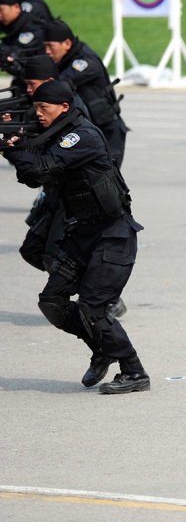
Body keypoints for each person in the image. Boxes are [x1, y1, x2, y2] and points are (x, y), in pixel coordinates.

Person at [2, 81, 149, 393]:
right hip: (82, 232)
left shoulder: (80, 135)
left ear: (64, 108)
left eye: (44, 108)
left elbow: (41, 168)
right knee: (52, 302)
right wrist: (14, 142)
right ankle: (101, 348)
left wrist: (10, 147)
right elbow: (32, 175)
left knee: (93, 307)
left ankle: (134, 371)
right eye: (36, 108)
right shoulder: (56, 134)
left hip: (113, 235)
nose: (38, 113)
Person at [43, 19, 130, 168]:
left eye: (51, 46)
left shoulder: (86, 61)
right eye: (45, 46)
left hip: (107, 130)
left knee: (106, 182)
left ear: (67, 44)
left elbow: (63, 82)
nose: (47, 51)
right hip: (87, 130)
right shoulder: (65, 58)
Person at [0, 0, 44, 92]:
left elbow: (15, 57)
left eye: (1, 10)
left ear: (16, 7)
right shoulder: (12, 25)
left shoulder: (33, 30)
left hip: (40, 86)